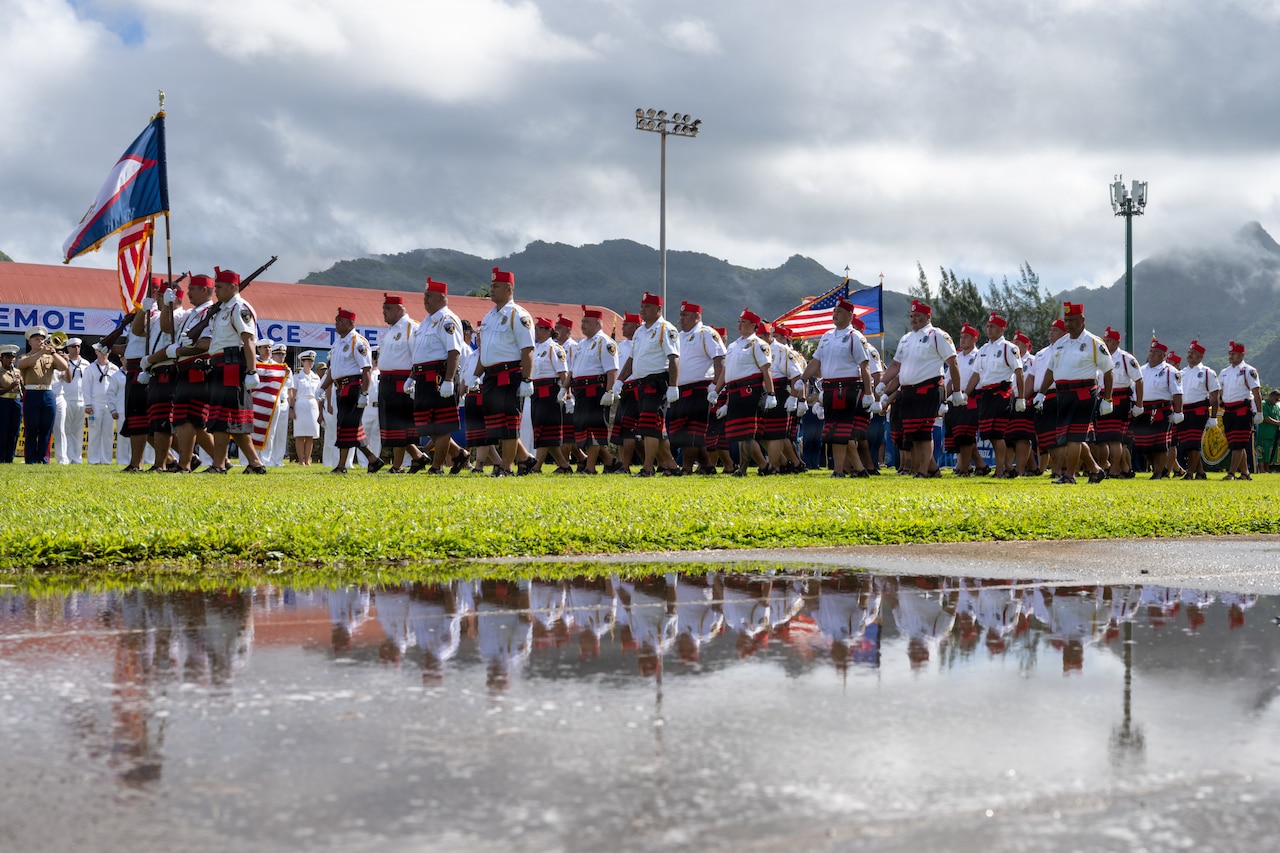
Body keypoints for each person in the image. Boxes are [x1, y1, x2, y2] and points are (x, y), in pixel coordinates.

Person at [878, 299, 963, 477]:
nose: (914, 319)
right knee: (912, 433)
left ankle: (923, 471)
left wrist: (956, 391)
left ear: (928, 316)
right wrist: (883, 383)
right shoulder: (906, 339)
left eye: (918, 316)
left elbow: (953, 363)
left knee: (924, 432)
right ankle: (932, 470)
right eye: (911, 316)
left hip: (929, 388)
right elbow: (895, 365)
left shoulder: (937, 335)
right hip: (908, 391)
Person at [199, 266, 267, 474]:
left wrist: (251, 371)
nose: (216, 291)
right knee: (229, 419)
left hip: (232, 366)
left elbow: (248, 340)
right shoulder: (223, 309)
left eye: (219, 287)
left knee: (223, 420)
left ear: (233, 286)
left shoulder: (239, 308)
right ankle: (255, 464)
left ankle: (219, 465)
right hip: (221, 366)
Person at [1035, 302, 1111, 484]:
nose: (1068, 325)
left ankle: (1069, 475)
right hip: (1063, 394)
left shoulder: (1094, 342)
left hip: (1084, 393)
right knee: (1069, 437)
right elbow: (1051, 370)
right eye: (1066, 321)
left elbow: (1108, 371)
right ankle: (1095, 469)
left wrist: (1107, 399)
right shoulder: (1060, 344)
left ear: (1082, 320)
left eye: (1072, 321)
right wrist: (1041, 393)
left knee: (1074, 437)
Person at [469, 267, 535, 477]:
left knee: (509, 422)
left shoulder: (518, 315)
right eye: (491, 285)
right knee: (497, 423)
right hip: (491, 375)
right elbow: (484, 352)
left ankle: (506, 467)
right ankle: (525, 459)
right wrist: (475, 375)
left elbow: (527, 349)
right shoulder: (489, 317)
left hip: (510, 374)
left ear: (509, 288)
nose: (491, 289)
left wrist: (526, 379)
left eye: (496, 286)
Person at [800, 296, 873, 477]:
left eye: (839, 312)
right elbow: (815, 362)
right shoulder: (826, 336)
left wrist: (869, 394)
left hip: (847, 387)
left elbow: (865, 366)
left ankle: (839, 470)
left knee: (841, 431)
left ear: (850, 315)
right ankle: (858, 470)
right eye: (834, 311)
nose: (835, 315)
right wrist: (801, 379)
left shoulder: (854, 337)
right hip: (830, 387)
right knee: (833, 430)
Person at [617, 291, 680, 477]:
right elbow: (631, 359)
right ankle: (671, 466)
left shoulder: (665, 329)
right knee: (654, 428)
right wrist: (620, 380)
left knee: (650, 428)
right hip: (641, 384)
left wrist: (673, 385)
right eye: (642, 307)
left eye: (647, 307)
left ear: (659, 309)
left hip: (657, 382)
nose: (643, 310)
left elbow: (673, 358)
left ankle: (647, 468)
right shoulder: (640, 331)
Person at [410, 278, 468, 474]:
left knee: (441, 425)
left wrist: (449, 380)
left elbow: (454, 352)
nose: (425, 300)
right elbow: (420, 353)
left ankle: (437, 467)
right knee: (427, 425)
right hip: (423, 377)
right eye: (424, 296)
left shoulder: (447, 320)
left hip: (439, 376)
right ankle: (459, 454)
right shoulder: (427, 321)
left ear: (442, 297)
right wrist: (412, 376)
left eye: (429, 296)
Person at [163, 272, 217, 473]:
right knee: (192, 420)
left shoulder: (209, 313)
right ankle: (221, 460)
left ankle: (184, 464)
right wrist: (167, 306)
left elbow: (207, 343)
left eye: (192, 289)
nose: (188, 293)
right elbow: (167, 327)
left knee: (186, 418)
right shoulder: (190, 314)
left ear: (204, 290)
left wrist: (182, 349)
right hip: (184, 368)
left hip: (197, 368)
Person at [712, 309, 776, 476]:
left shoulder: (759, 345)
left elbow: (766, 371)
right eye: (739, 321)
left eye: (743, 322)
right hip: (734, 392)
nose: (739, 324)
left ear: (754, 325)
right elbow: (726, 372)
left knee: (747, 433)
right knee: (739, 433)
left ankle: (743, 469)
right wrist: (716, 391)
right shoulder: (733, 346)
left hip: (750, 390)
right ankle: (764, 466)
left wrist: (771, 394)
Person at [319, 308, 383, 474]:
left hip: (354, 387)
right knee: (349, 427)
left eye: (340, 320)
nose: (336, 323)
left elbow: (366, 369)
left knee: (347, 426)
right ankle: (373, 460)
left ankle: (342, 466)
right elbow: (333, 371)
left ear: (350, 323)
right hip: (341, 388)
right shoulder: (338, 343)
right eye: (336, 319)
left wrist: (364, 393)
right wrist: (321, 388)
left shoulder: (358, 341)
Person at [668, 301, 725, 475]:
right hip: (681, 389)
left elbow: (719, 360)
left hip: (699, 387)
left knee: (691, 430)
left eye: (685, 315)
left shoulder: (706, 333)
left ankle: (686, 468)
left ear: (697, 316)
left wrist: (715, 386)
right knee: (683, 430)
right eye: (681, 315)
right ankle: (707, 465)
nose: (681, 318)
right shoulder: (679, 336)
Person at [964, 312, 1023, 478]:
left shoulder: (1009, 348)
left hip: (1002, 393)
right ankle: (1008, 468)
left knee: (997, 434)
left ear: (1002, 329)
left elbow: (1019, 373)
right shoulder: (983, 349)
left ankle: (1000, 470)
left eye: (993, 327)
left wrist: (1021, 398)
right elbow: (975, 375)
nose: (989, 329)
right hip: (986, 394)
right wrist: (964, 394)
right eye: (988, 326)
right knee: (988, 433)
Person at [568, 306, 622, 474]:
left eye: (587, 322)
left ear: (598, 323)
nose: (582, 325)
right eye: (582, 321)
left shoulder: (605, 342)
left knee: (594, 430)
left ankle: (590, 467)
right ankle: (610, 461)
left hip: (596, 390)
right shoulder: (582, 344)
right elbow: (573, 369)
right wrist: (565, 389)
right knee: (583, 428)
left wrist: (609, 392)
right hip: (581, 391)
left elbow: (612, 370)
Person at [375, 293, 421, 473]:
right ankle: (417, 456)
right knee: (392, 425)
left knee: (400, 425)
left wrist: (412, 379)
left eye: (387, 309)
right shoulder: (391, 330)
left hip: (402, 381)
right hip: (387, 381)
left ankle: (398, 465)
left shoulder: (411, 327)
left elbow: (417, 358)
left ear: (398, 309)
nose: (383, 313)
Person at [16, 327, 68, 464]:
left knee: (46, 428)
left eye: (42, 339)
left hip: (48, 393)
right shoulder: (26, 356)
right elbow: (22, 364)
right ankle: (31, 459)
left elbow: (64, 367)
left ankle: (43, 458)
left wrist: (54, 353)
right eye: (36, 339)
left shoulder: (50, 356)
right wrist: (41, 353)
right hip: (32, 393)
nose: (40, 342)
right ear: (30, 342)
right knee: (31, 428)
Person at [1097, 326, 1142, 478]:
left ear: (1116, 342)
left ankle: (1115, 469)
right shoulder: (1100, 357)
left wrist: (1139, 404)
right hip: (1103, 398)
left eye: (1108, 340)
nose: (1105, 343)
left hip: (1121, 399)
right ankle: (1105, 467)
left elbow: (1138, 380)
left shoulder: (1126, 358)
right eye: (1104, 340)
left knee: (1116, 438)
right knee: (1102, 438)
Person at [1133, 340, 1183, 479]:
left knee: (1160, 444)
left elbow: (1177, 394)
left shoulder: (1170, 371)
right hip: (1143, 410)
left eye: (1156, 352)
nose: (1152, 354)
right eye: (1151, 351)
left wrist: (1178, 412)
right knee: (1142, 444)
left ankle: (1158, 472)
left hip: (1162, 409)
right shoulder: (1141, 370)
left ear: (1163, 355)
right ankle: (1160, 467)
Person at [528, 316, 572, 472]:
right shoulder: (537, 348)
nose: (537, 332)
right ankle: (564, 465)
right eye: (536, 328)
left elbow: (563, 374)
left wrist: (568, 395)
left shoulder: (555, 348)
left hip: (550, 392)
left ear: (549, 331)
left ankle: (536, 466)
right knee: (543, 431)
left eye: (540, 328)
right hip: (537, 392)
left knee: (545, 430)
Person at [1218, 340, 1263, 481]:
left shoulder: (1248, 371)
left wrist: (1259, 412)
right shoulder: (1224, 372)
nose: (1231, 356)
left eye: (1234, 353)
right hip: (1228, 411)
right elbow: (1220, 392)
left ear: (1242, 355)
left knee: (1238, 443)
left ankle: (1231, 473)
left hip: (1242, 410)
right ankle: (1245, 473)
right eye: (1230, 353)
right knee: (1234, 443)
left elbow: (1256, 392)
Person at [1179, 339, 1220, 480]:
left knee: (1194, 443)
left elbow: (1215, 397)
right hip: (1184, 411)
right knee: (1187, 443)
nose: (1190, 355)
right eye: (1189, 352)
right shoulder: (1181, 373)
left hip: (1198, 410)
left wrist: (1213, 417)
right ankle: (1200, 472)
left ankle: (1190, 473)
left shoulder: (1208, 372)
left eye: (1194, 353)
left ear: (1201, 356)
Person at [945, 323, 982, 475]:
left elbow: (977, 376)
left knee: (965, 434)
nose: (963, 340)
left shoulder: (979, 355)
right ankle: (978, 465)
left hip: (970, 398)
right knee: (957, 435)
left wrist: (966, 393)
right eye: (961, 337)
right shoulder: (956, 358)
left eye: (966, 337)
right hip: (954, 400)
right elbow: (949, 380)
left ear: (974, 339)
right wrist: (943, 400)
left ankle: (964, 468)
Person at [85, 342, 120, 464]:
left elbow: (116, 389)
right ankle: (93, 459)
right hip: (95, 404)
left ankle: (106, 459)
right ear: (96, 352)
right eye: (101, 351)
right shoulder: (90, 368)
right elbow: (86, 388)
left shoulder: (114, 368)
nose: (104, 354)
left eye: (106, 351)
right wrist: (88, 404)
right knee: (94, 432)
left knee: (108, 433)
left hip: (109, 405)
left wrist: (115, 406)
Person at [58, 337, 90, 464]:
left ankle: (77, 458)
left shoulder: (86, 363)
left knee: (78, 431)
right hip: (66, 398)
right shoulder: (62, 362)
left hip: (81, 400)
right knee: (66, 430)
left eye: (78, 346)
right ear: (68, 348)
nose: (76, 349)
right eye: (73, 347)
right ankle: (66, 457)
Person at [288, 351, 322, 465]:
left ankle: (307, 460)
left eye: (312, 361)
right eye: (308, 360)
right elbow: (293, 393)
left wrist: (319, 410)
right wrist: (292, 408)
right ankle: (301, 460)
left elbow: (318, 394)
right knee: (300, 434)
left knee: (310, 434)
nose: (311, 363)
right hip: (301, 403)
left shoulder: (316, 377)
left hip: (312, 404)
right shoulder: (297, 376)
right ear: (302, 361)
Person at [0, 344, 21, 463]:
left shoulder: (17, 371)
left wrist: (20, 382)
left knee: (14, 431)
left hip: (16, 401)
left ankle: (10, 458)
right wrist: (10, 386)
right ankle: (1, 458)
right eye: (8, 357)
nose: (11, 359)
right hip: (3, 401)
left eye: (13, 357)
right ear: (2, 357)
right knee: (3, 431)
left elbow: (22, 389)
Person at [1260, 389, 1280, 473]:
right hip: (1264, 433)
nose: (1277, 401)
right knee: (1261, 451)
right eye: (1276, 399)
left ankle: (1267, 469)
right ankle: (1261, 469)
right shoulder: (1263, 404)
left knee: (1270, 451)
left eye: (1278, 400)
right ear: (1271, 396)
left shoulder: (1276, 406)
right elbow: (1265, 418)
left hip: (1273, 434)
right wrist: (1277, 423)